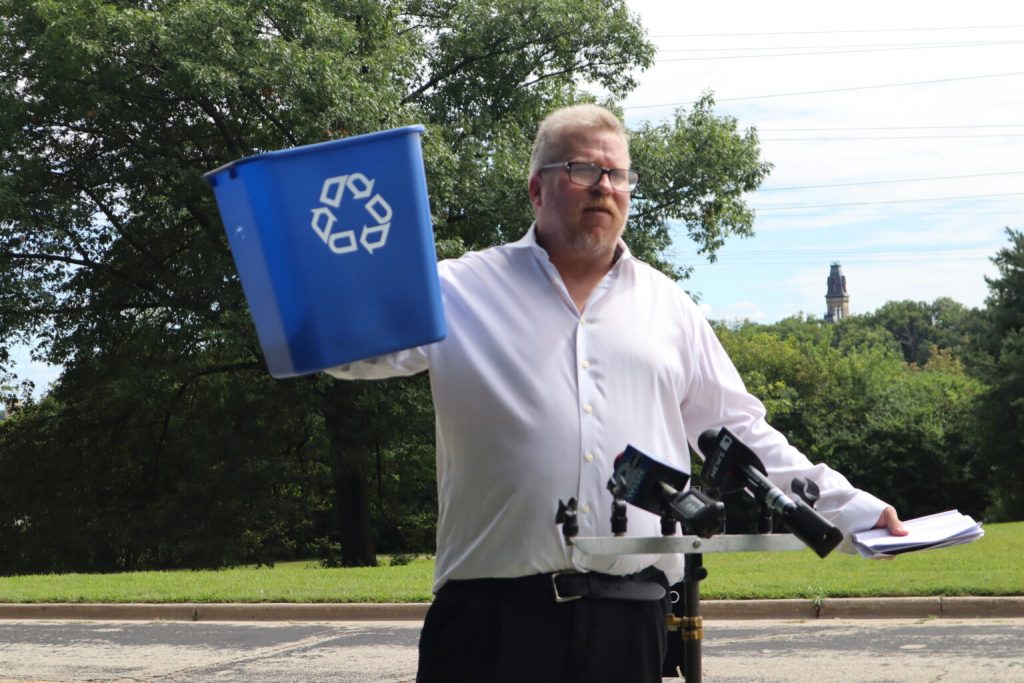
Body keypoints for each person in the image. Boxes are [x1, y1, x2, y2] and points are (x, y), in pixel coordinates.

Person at [327, 103, 907, 683]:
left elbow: (742, 436)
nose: (604, 187)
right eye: (583, 170)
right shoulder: (458, 290)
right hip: (490, 627)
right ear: (537, 189)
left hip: (629, 624)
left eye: (618, 175)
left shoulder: (670, 309)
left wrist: (855, 509)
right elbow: (346, 355)